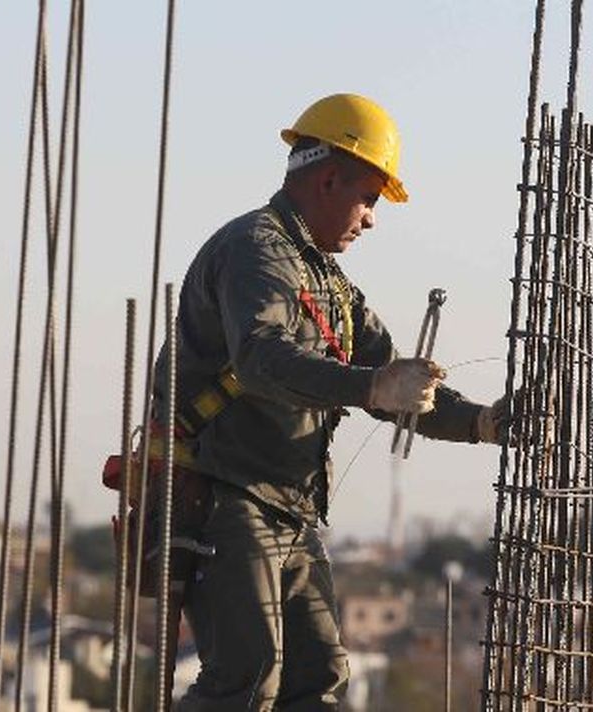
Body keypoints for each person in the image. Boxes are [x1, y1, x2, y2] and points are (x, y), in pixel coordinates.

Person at [153, 93, 505, 711]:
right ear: (329, 178)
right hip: (226, 494)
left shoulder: (329, 282)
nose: (370, 219)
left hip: (290, 506)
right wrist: (371, 387)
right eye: (368, 198)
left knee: (316, 680)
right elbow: (261, 360)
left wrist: (480, 422)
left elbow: (396, 382)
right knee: (246, 679)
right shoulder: (256, 252)